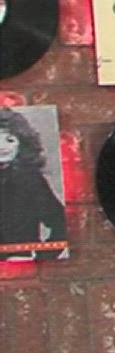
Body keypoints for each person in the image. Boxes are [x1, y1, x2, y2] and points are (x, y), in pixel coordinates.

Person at [0, 109, 68, 260]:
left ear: (21, 143)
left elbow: (61, 223)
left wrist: (42, 258)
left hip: (19, 265)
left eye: (10, 140)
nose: (2, 147)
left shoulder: (30, 180)